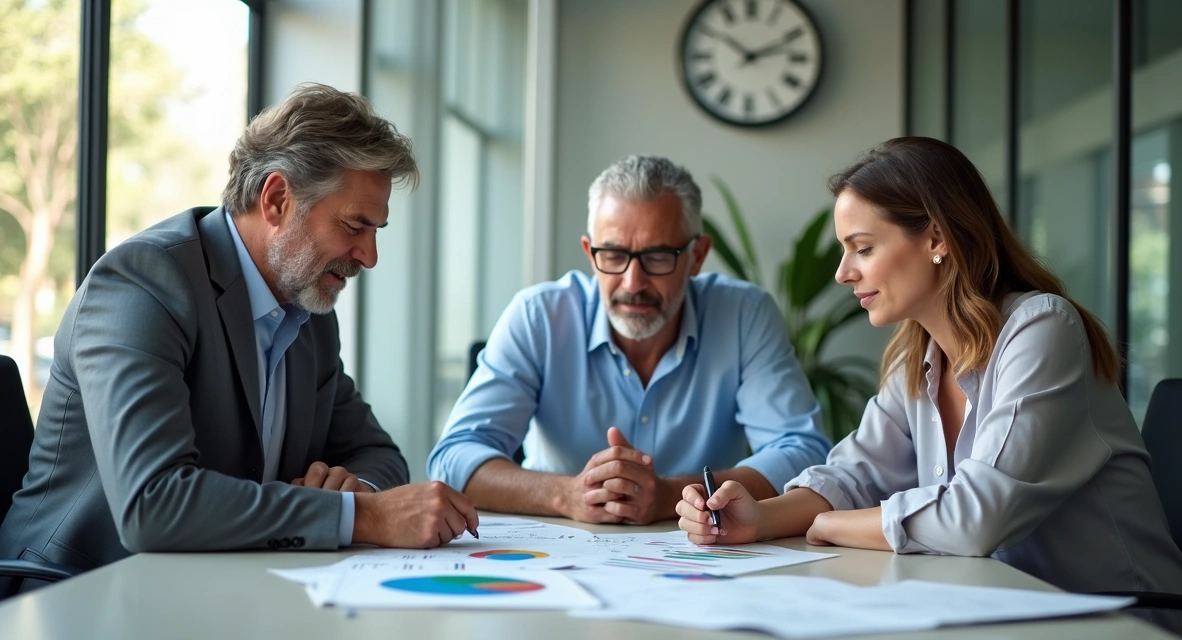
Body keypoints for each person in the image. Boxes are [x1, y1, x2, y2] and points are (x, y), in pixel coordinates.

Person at [676, 137, 1182, 635]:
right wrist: (753, 520)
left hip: (1119, 623)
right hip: (1004, 612)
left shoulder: (1042, 329)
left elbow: (975, 518)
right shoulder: (917, 355)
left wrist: (829, 526)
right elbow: (852, 475)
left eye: (862, 248)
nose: (842, 273)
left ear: (936, 238)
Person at [0, 84, 478, 577]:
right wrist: (360, 517)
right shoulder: (143, 284)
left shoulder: (308, 312)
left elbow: (377, 453)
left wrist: (357, 491)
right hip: (75, 594)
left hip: (214, 587)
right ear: (276, 200)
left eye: (375, 232)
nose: (369, 256)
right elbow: (153, 504)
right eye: (355, 226)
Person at [428, 155, 830, 525]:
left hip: (700, 556)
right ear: (590, 253)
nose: (633, 283)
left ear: (697, 256)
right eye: (614, 256)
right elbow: (454, 458)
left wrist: (672, 495)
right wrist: (565, 495)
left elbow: (803, 454)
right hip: (558, 554)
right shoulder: (539, 316)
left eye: (657, 257)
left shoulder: (744, 315)